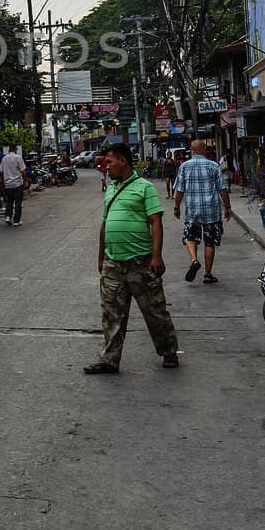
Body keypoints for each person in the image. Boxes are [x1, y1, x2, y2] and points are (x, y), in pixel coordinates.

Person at [85, 144, 179, 374]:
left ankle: (168, 351)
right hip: (112, 262)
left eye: (109, 162)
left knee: (155, 310)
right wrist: (101, 257)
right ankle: (109, 359)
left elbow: (156, 222)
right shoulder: (111, 189)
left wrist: (156, 256)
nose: (106, 167)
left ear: (123, 161)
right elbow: (105, 224)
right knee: (111, 313)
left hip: (140, 261)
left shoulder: (144, 188)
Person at [175, 138, 232, 284]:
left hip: (192, 209)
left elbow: (179, 190)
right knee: (210, 242)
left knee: (190, 237)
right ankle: (207, 274)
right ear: (204, 150)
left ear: (192, 151)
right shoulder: (213, 165)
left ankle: (194, 260)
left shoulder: (184, 166)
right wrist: (227, 207)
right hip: (211, 210)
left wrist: (176, 207)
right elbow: (222, 188)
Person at [0, 144, 27, 227]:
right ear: (15, 150)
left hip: (8, 184)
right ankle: (16, 221)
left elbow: (0, 172)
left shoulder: (4, 159)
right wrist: (25, 180)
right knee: (18, 202)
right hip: (18, 183)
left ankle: (8, 216)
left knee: (9, 201)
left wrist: (3, 182)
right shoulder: (18, 158)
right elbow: (23, 171)